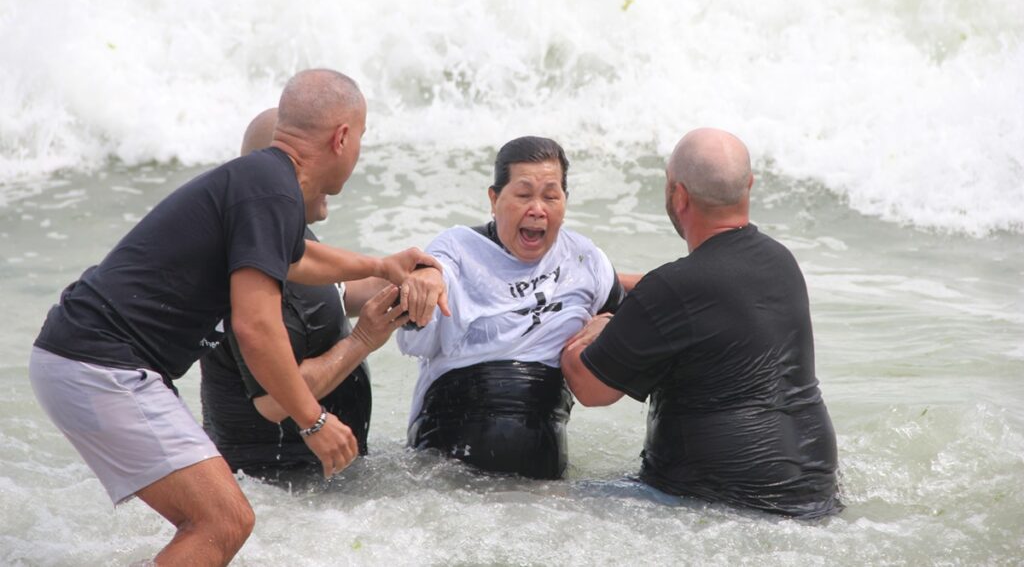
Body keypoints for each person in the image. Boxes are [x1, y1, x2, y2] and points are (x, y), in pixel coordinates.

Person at [29, 69, 446, 566]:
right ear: (342, 137)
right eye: (361, 137)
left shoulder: (263, 181)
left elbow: (298, 262)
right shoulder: (273, 189)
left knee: (218, 520)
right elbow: (255, 326)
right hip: (102, 363)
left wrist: (380, 265)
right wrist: (313, 422)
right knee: (222, 521)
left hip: (82, 355)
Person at [560, 128, 842, 518]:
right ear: (750, 186)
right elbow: (690, 294)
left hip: (717, 501)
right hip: (813, 491)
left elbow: (590, 389)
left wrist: (586, 330)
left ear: (679, 195)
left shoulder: (674, 289)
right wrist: (600, 278)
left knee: (534, 498)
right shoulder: (780, 262)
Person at [396, 136, 636, 479]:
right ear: (494, 199)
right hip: (447, 454)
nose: (537, 209)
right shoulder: (458, 249)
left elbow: (638, 331)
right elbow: (421, 312)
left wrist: (611, 324)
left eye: (551, 196)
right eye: (523, 195)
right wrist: (424, 280)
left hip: (543, 465)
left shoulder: (585, 260)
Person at [200, 107, 394, 481]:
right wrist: (363, 339)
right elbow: (275, 399)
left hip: (316, 473)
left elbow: (336, 294)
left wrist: (412, 279)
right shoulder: (257, 269)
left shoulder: (277, 233)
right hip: (278, 483)